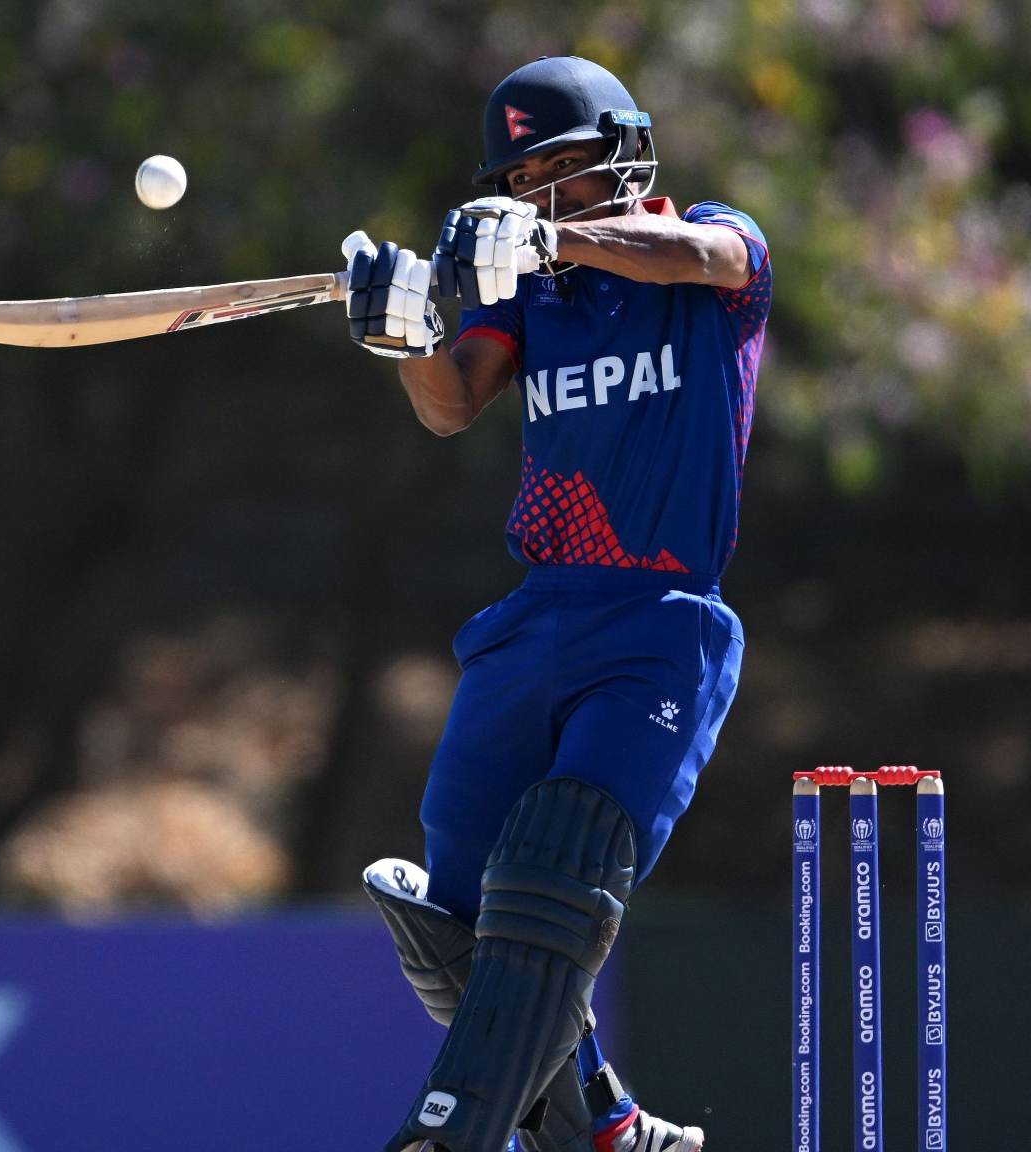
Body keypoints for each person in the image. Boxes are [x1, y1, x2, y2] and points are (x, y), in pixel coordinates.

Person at [343, 56, 771, 1152]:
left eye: (569, 173)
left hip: (657, 625)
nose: (548, 198)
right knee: (454, 915)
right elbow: (451, 406)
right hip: (534, 618)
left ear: (626, 154)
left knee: (555, 871)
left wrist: (556, 238)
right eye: (527, 185)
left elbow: (703, 257)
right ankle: (609, 1130)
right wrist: (404, 339)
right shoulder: (533, 290)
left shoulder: (713, 247)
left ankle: (454, 1134)